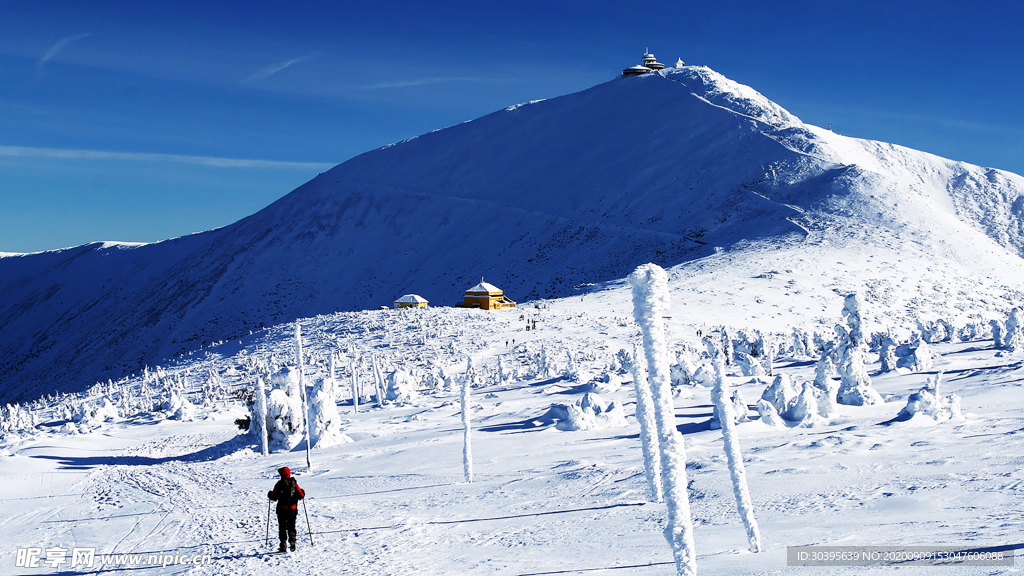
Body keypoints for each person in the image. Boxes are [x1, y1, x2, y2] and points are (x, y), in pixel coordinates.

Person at [268, 467, 305, 552]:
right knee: (292, 526)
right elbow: (301, 496)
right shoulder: (294, 483)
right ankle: (292, 540)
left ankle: (283, 544)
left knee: (282, 527)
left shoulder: (280, 484)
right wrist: (303, 492)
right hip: (292, 510)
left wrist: (269, 494)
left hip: (281, 509)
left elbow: (273, 497)